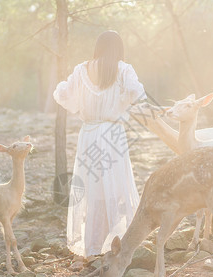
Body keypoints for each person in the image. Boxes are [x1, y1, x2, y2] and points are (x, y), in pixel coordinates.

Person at [53, 30, 147, 258]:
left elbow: (62, 93)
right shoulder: (123, 69)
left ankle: (93, 245)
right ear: (118, 48)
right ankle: (117, 243)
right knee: (115, 188)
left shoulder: (81, 69)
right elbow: (138, 95)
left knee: (93, 190)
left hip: (89, 135)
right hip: (113, 133)